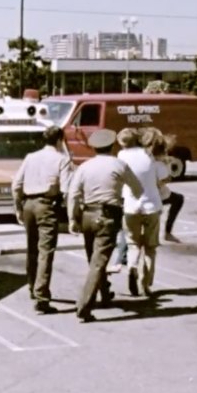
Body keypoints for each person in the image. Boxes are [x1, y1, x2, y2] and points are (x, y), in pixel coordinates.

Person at [67, 129, 144, 322]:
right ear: (112, 146)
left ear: (94, 147)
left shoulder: (84, 167)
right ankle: (84, 306)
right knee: (98, 262)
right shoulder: (119, 165)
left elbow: (73, 195)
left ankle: (104, 292)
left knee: (93, 259)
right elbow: (138, 189)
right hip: (109, 214)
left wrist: (72, 219)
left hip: (88, 214)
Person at [12, 125, 73, 314]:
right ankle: (41, 296)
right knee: (46, 251)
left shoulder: (31, 157)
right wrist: (71, 215)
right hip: (47, 205)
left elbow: (16, 184)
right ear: (59, 140)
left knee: (32, 248)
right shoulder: (62, 159)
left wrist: (18, 208)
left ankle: (33, 286)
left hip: (28, 203)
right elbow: (66, 189)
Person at [120, 127, 165, 297]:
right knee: (150, 248)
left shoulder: (122, 156)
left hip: (130, 206)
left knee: (133, 244)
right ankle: (145, 285)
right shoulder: (152, 157)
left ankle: (131, 267)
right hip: (151, 206)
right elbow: (164, 177)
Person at [107, 128, 141, 274]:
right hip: (141, 195)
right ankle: (129, 260)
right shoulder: (146, 154)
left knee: (124, 230)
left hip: (126, 194)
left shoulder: (122, 155)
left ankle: (120, 260)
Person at [156, 154, 185, 243]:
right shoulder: (155, 163)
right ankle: (166, 233)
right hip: (152, 195)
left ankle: (167, 232)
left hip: (159, 193)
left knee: (178, 199)